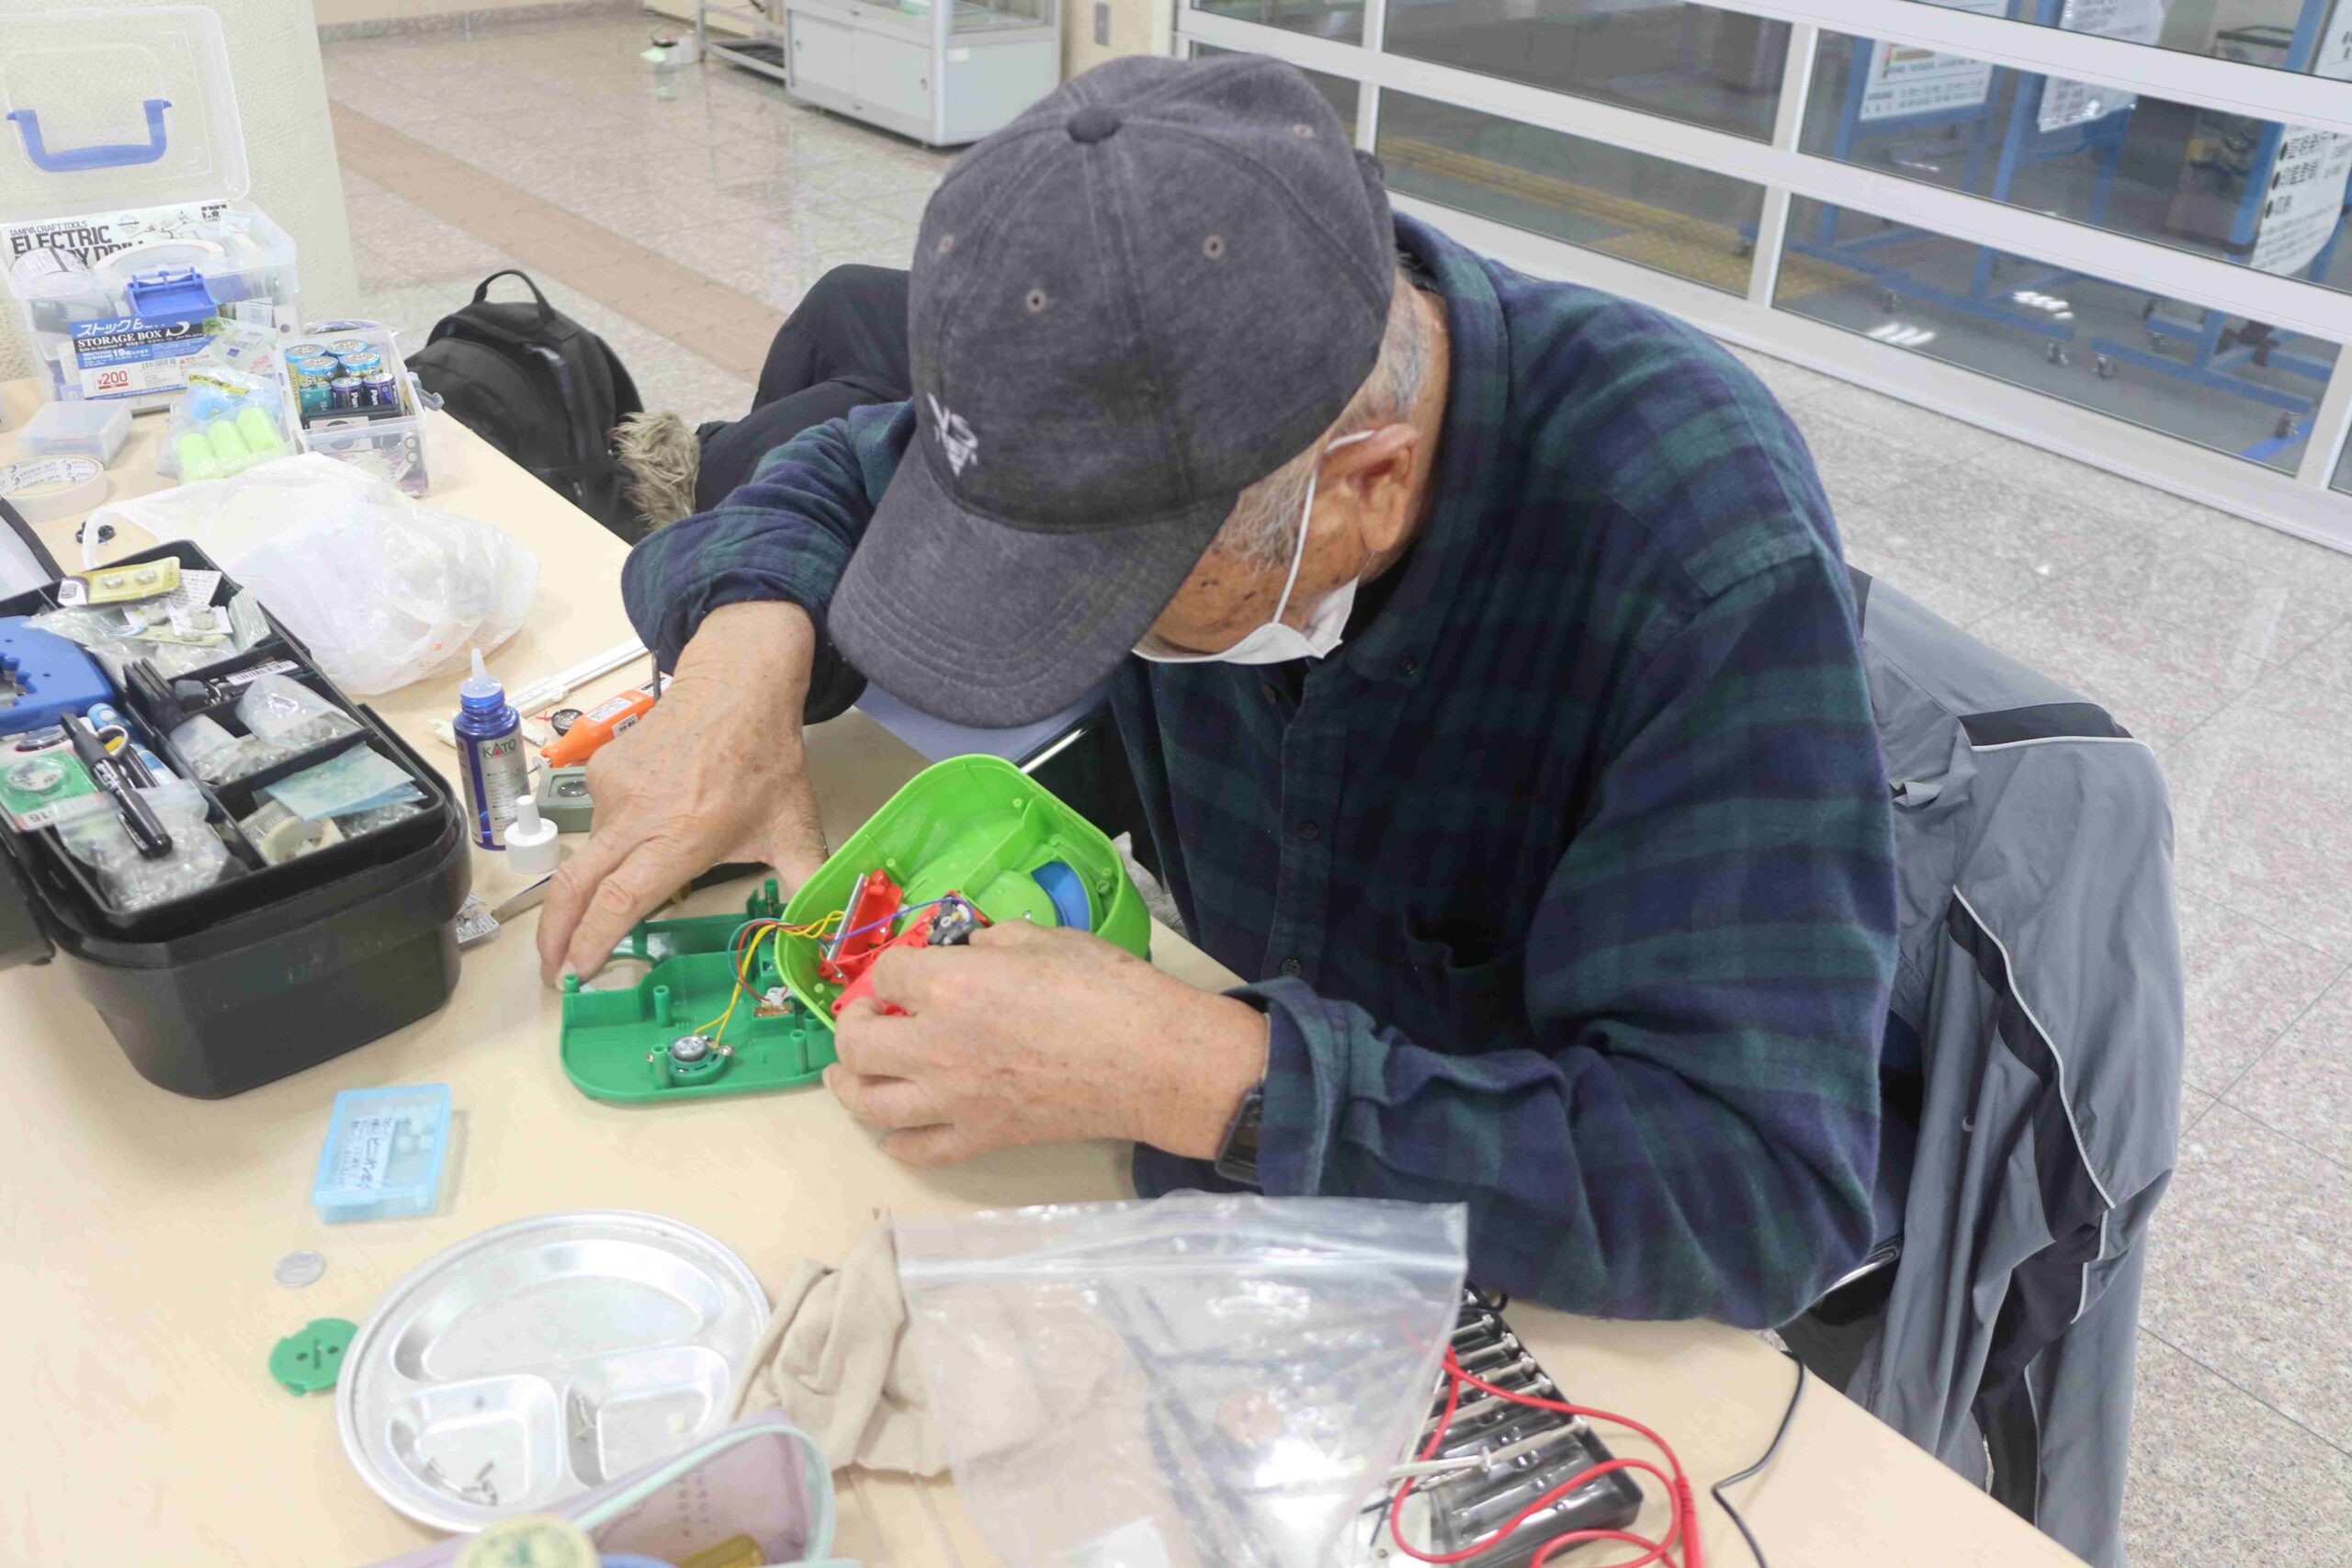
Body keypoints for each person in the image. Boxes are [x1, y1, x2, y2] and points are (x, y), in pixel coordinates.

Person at [543, 54, 1899, 1326]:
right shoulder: (1134, 389)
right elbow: (838, 473)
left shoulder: (1695, 554)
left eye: (1118, 595)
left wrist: (1204, 1080)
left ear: (1363, 489)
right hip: (1213, 1217)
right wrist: (736, 668)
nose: (1069, 633)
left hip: (1505, 1291)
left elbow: (1759, 1186)